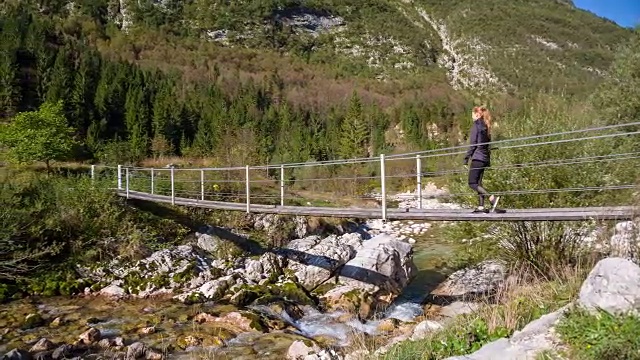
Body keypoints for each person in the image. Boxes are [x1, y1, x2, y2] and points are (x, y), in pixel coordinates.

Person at [463, 106, 504, 213]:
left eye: (472, 114)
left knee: (472, 183)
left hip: (477, 157)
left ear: (477, 114)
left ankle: (492, 199)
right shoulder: (486, 125)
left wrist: (466, 158)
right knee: (479, 183)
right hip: (485, 158)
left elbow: (473, 145)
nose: (471, 117)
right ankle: (481, 206)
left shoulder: (476, 126)